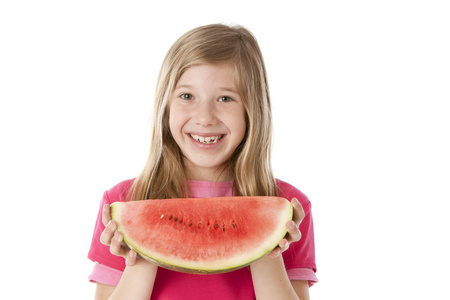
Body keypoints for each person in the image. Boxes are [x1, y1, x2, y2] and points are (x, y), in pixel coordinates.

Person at [88, 23, 318, 300]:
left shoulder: (287, 207)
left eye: (225, 98)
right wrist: (144, 256)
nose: (205, 117)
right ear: (166, 106)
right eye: (187, 96)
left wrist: (267, 251)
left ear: (252, 109)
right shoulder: (124, 202)